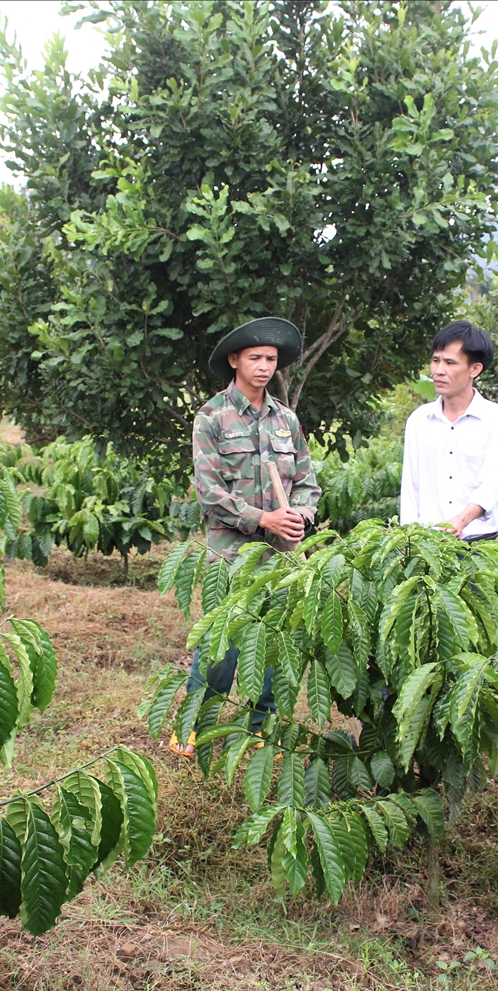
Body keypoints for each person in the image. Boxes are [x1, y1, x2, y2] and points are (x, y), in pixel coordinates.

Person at [171, 316, 322, 754]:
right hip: (230, 553)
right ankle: (194, 726)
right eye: (255, 357)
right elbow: (209, 492)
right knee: (224, 640)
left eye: (271, 359)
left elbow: (308, 481)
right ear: (234, 360)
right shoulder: (211, 416)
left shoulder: (286, 420)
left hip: (280, 554)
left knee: (274, 639)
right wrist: (261, 518)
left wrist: (300, 515)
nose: (264, 366)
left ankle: (262, 726)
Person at [400, 320, 498, 541]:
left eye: (450, 363)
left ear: (475, 369)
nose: (438, 371)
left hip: (481, 544)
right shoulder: (419, 420)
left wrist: (461, 521)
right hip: (427, 544)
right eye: (436, 360)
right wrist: (407, 541)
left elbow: (490, 485)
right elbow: (410, 488)